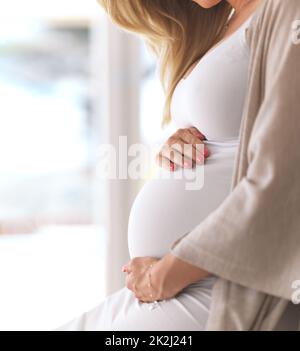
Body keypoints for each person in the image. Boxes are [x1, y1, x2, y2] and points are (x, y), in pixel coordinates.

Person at [57, 0, 300, 331]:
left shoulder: (287, 10)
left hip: (229, 286)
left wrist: (168, 273)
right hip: (180, 284)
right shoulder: (227, 21)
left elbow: (285, 182)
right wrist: (177, 145)